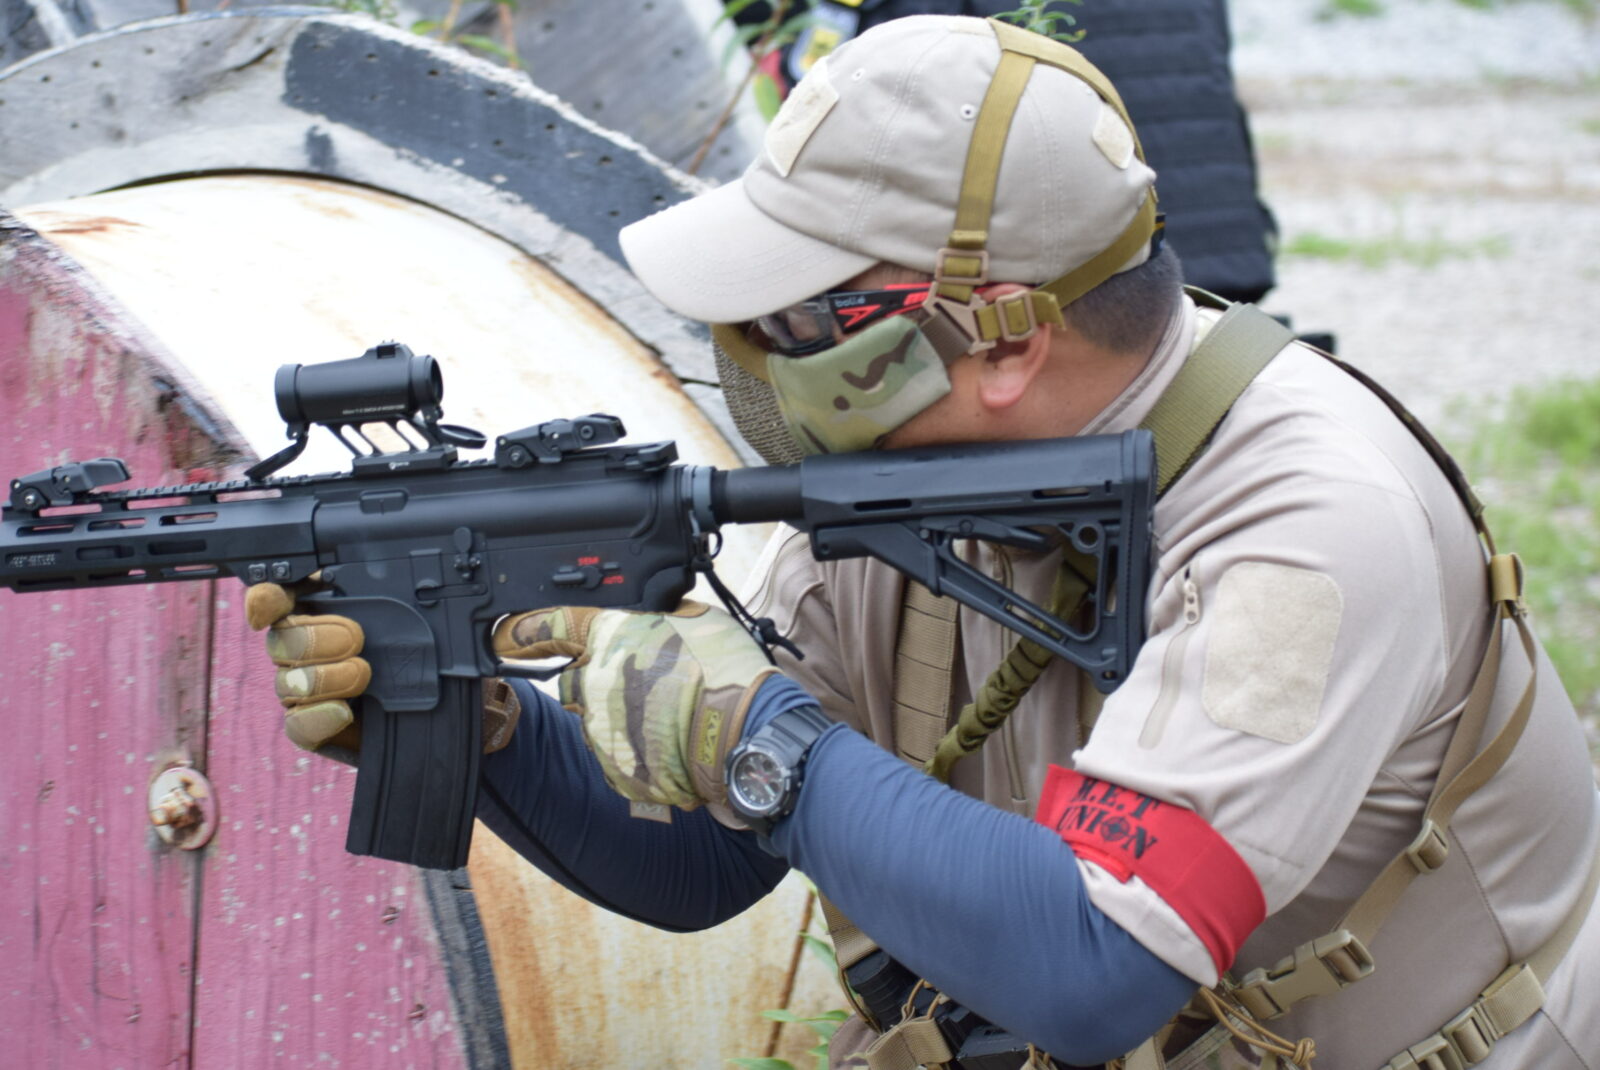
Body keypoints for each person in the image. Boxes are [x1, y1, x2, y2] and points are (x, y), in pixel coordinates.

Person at [250, 16, 1600, 1069]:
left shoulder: (1309, 528)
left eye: (798, 321)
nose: (754, 357)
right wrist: (488, 727)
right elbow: (705, 862)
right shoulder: (908, 485)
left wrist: (754, 733)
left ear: (1001, 338)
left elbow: (1093, 966)